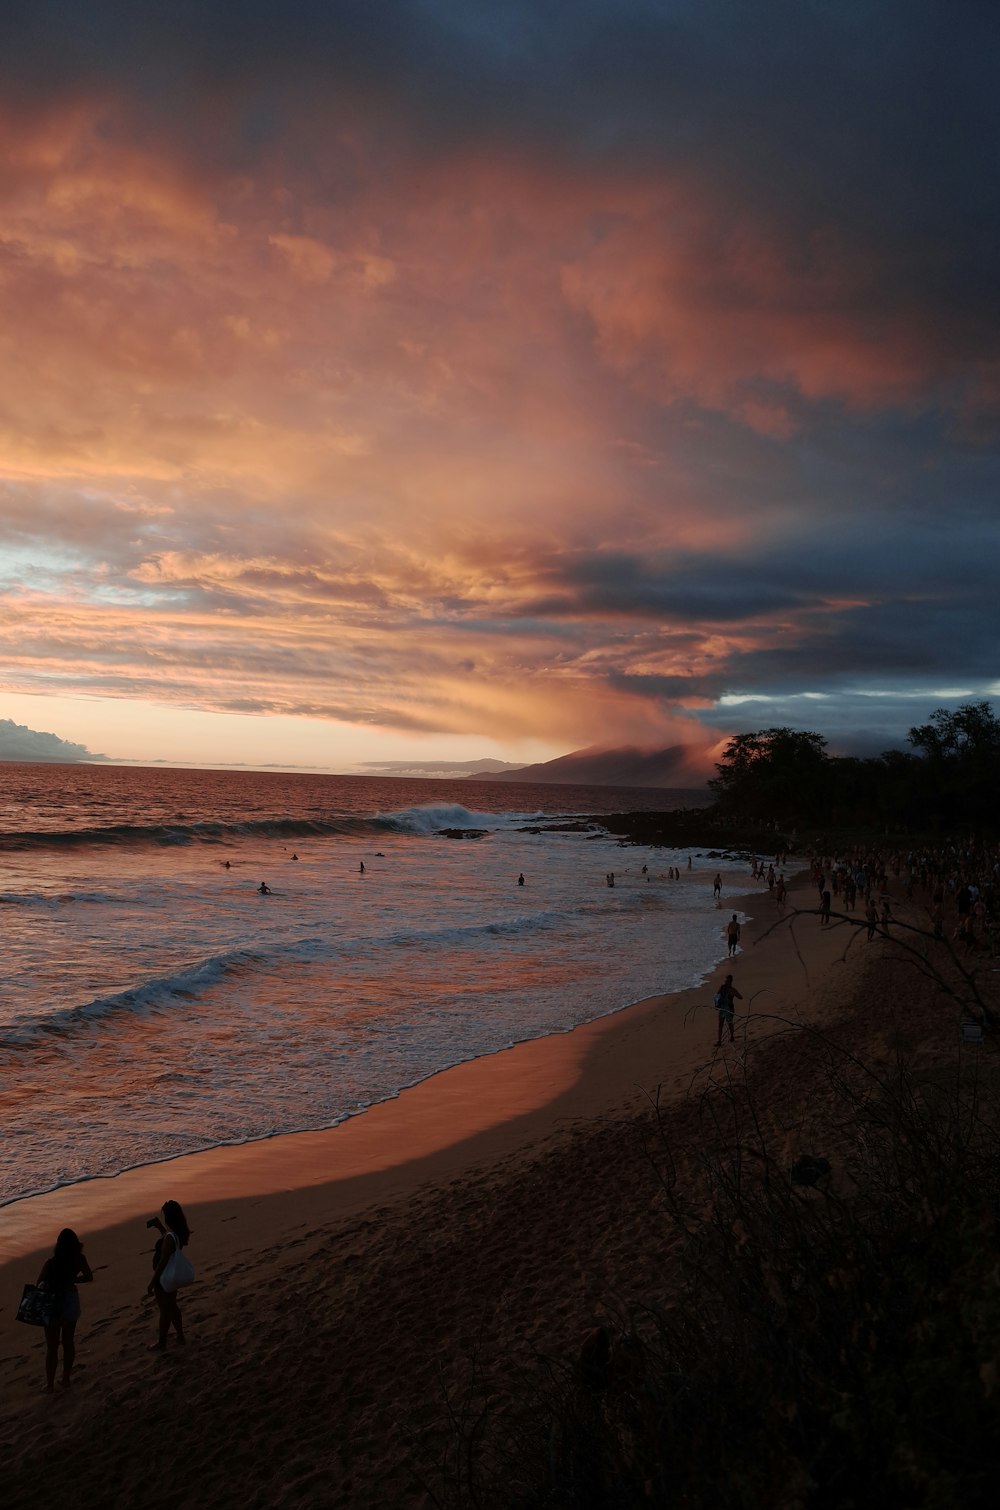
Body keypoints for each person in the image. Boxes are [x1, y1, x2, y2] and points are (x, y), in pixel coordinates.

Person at [37, 1228, 93, 1391]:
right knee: (68, 1342)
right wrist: (73, 1281)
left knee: (52, 1347)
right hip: (70, 1300)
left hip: (53, 1305)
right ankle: (66, 1378)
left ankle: (49, 1385)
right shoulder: (79, 1259)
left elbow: (39, 1285)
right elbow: (89, 1276)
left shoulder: (51, 1263)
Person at [147, 1200, 192, 1350]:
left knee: (165, 1311)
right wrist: (159, 1226)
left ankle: (162, 1343)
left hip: (163, 1279)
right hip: (171, 1277)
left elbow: (162, 1263)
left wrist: (152, 1282)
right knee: (172, 1306)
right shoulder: (177, 1233)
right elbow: (169, 1238)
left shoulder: (169, 1238)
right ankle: (180, 1336)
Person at [714, 974, 742, 1046]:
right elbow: (716, 995)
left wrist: (733, 994)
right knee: (720, 1024)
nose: (726, 982)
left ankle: (732, 1036)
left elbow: (740, 997)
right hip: (722, 1008)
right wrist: (716, 1004)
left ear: (730, 981)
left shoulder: (732, 989)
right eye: (725, 980)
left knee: (729, 1024)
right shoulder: (722, 987)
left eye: (727, 981)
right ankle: (719, 1041)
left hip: (729, 1009)